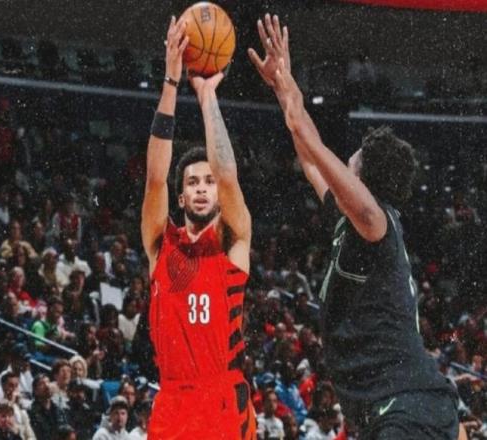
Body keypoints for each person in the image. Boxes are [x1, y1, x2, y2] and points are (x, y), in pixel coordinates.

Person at [248, 13, 459, 440]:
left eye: (357, 155)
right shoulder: (354, 222)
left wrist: (291, 94)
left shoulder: (376, 221)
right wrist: (283, 88)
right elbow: (310, 158)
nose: (348, 158)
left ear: (365, 175)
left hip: (405, 407)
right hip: (402, 407)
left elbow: (313, 144)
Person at [141, 16, 255, 440]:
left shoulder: (231, 243)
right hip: (171, 401)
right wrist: (171, 82)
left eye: (207, 182)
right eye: (192, 183)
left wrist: (208, 99)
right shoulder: (160, 244)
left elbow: (228, 176)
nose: (203, 188)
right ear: (182, 198)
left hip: (221, 397)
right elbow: (156, 177)